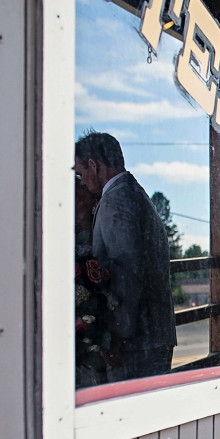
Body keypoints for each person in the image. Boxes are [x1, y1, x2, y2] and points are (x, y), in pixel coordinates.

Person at [75, 130, 177, 382]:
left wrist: (117, 337)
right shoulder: (132, 193)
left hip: (136, 341)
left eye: (81, 173)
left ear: (93, 165)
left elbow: (127, 272)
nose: (82, 182)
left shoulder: (116, 201)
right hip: (152, 334)